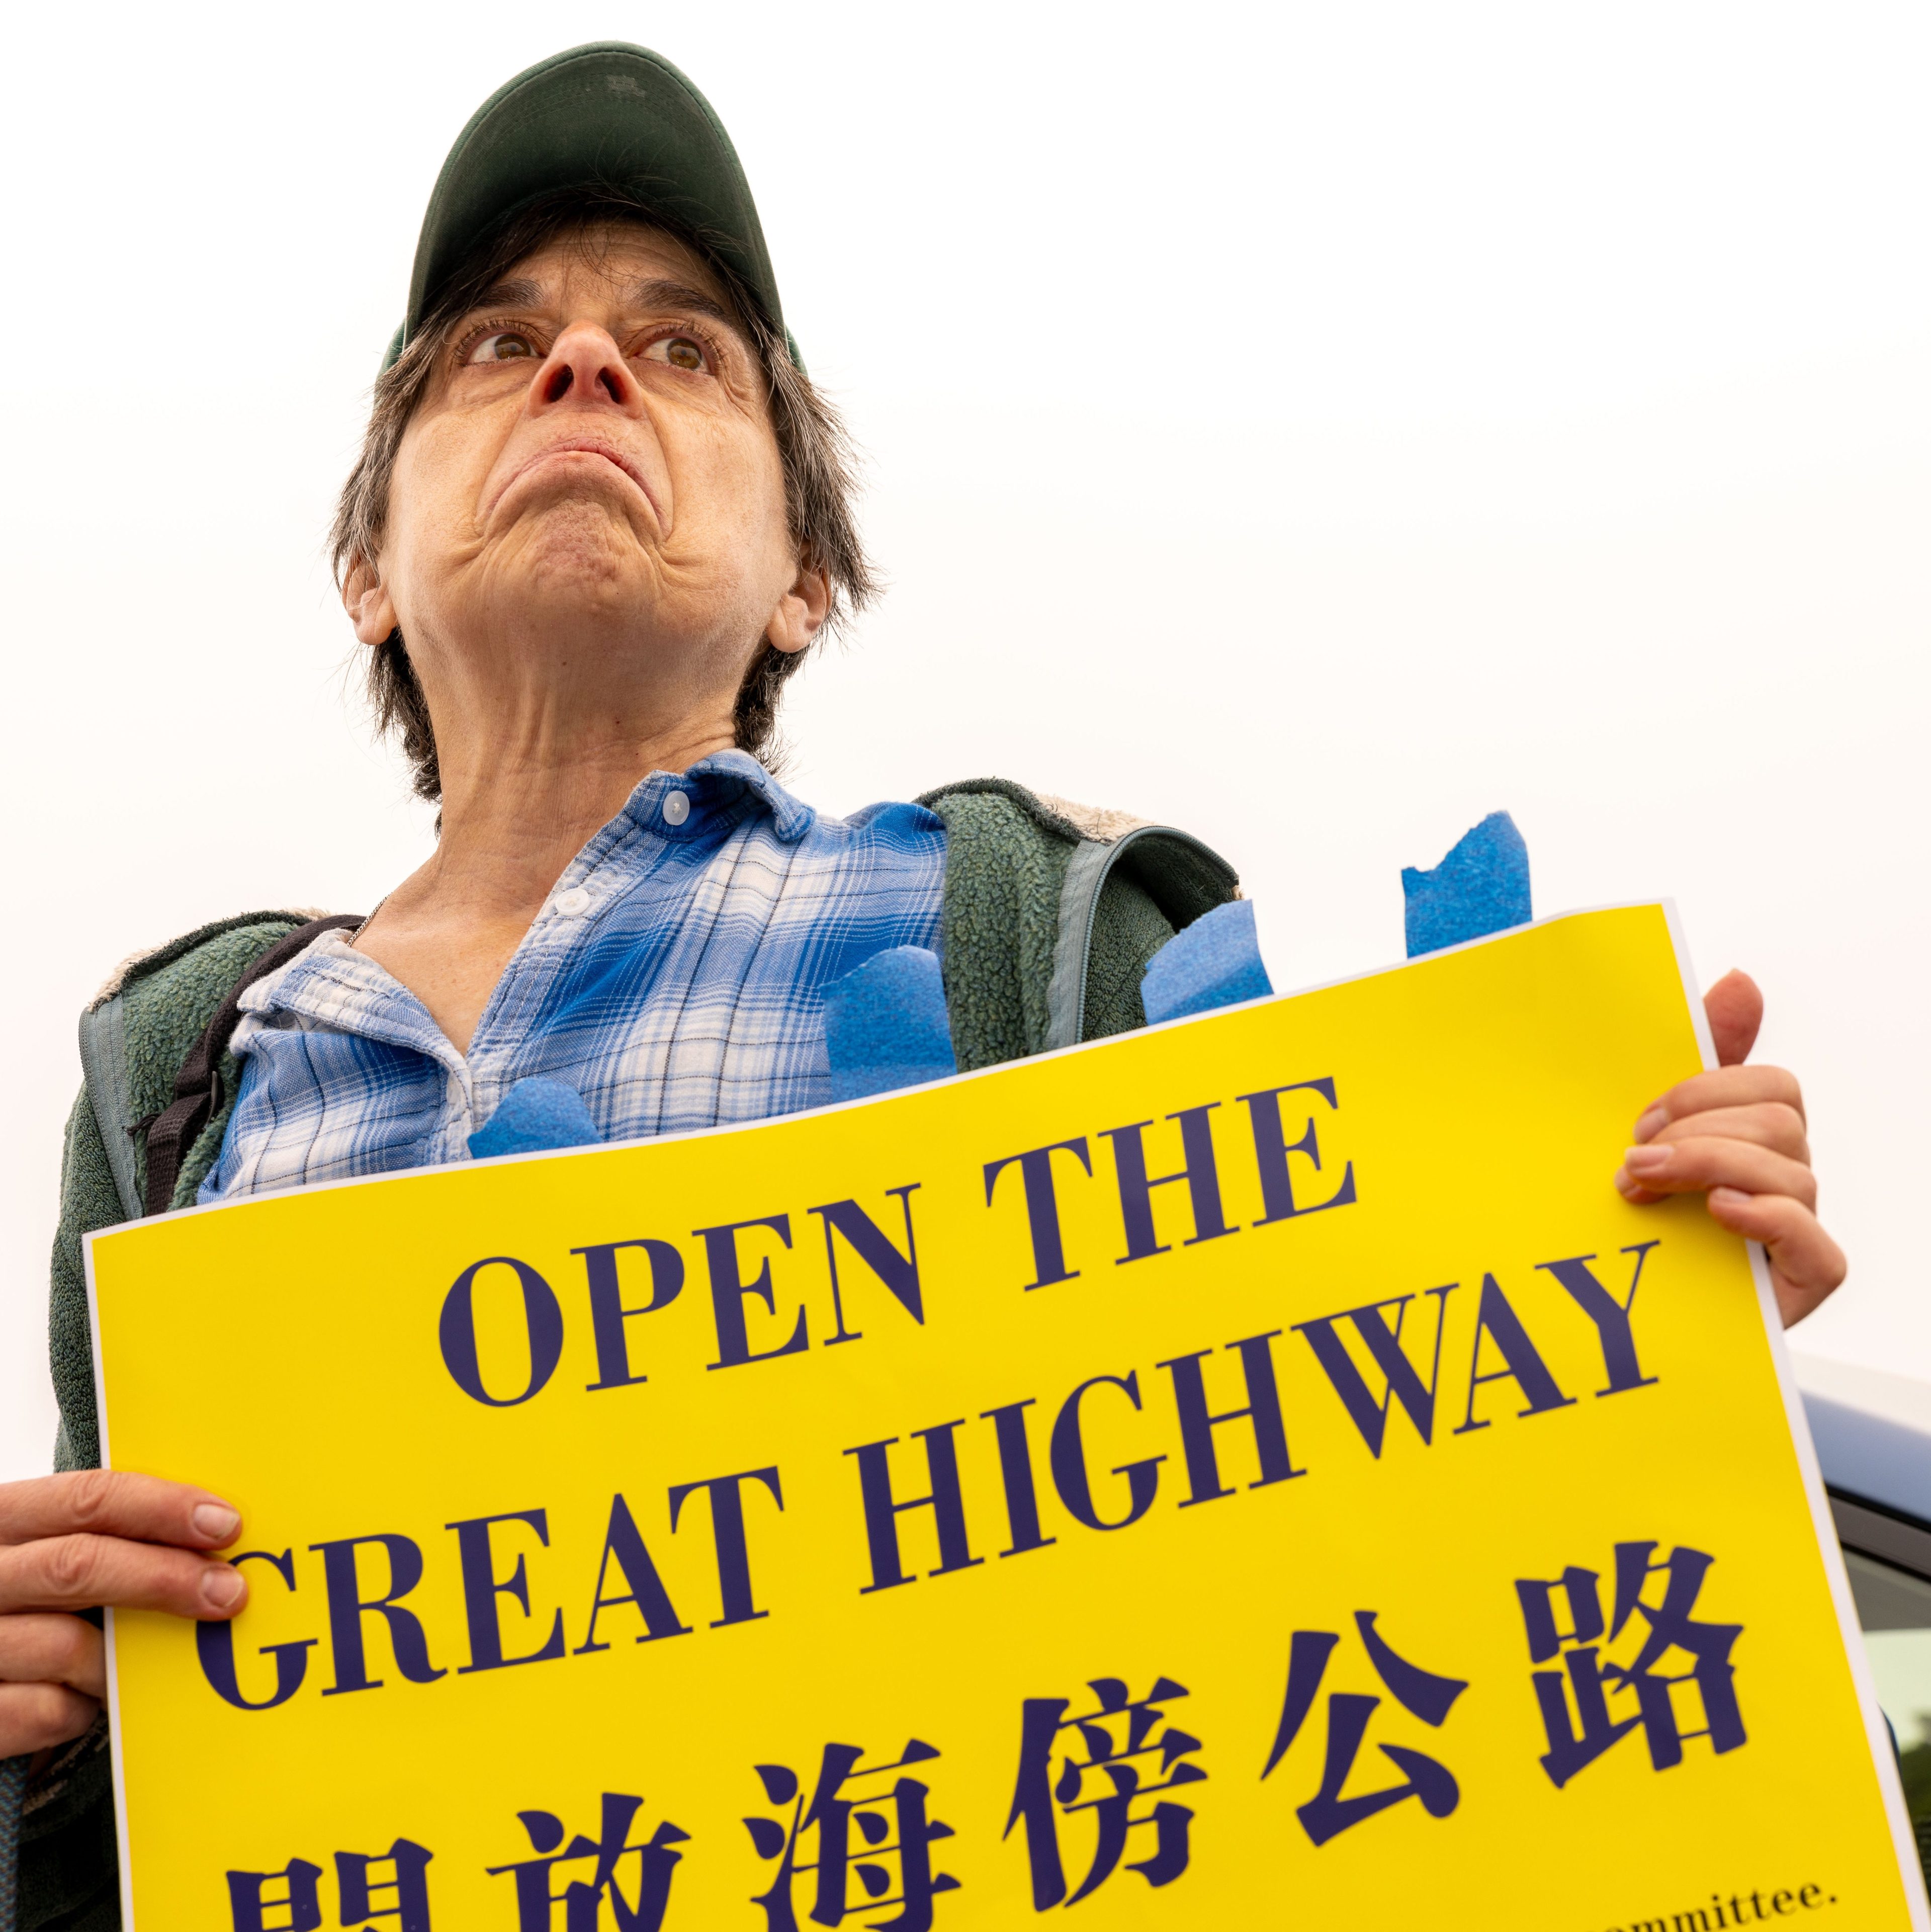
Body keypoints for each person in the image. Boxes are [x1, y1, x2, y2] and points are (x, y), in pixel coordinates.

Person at [0, 44, 1846, 1931]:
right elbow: (112, 1802)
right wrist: (39, 1741)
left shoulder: (1025, 937)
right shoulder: (181, 1080)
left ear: (805, 571)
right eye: (495, 343)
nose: (582, 367)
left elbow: (1339, 1595)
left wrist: (1636, 1318)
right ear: (367, 570)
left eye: (685, 348)